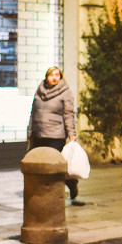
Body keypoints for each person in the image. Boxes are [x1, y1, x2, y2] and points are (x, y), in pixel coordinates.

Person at [27, 66, 83, 205]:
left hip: (55, 136)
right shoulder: (39, 91)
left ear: (61, 77)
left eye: (57, 75)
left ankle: (69, 184)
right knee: (41, 165)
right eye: (51, 75)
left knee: (55, 166)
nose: (54, 77)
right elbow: (33, 113)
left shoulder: (66, 93)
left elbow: (68, 114)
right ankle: (44, 191)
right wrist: (29, 132)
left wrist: (72, 133)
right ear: (46, 77)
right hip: (39, 134)